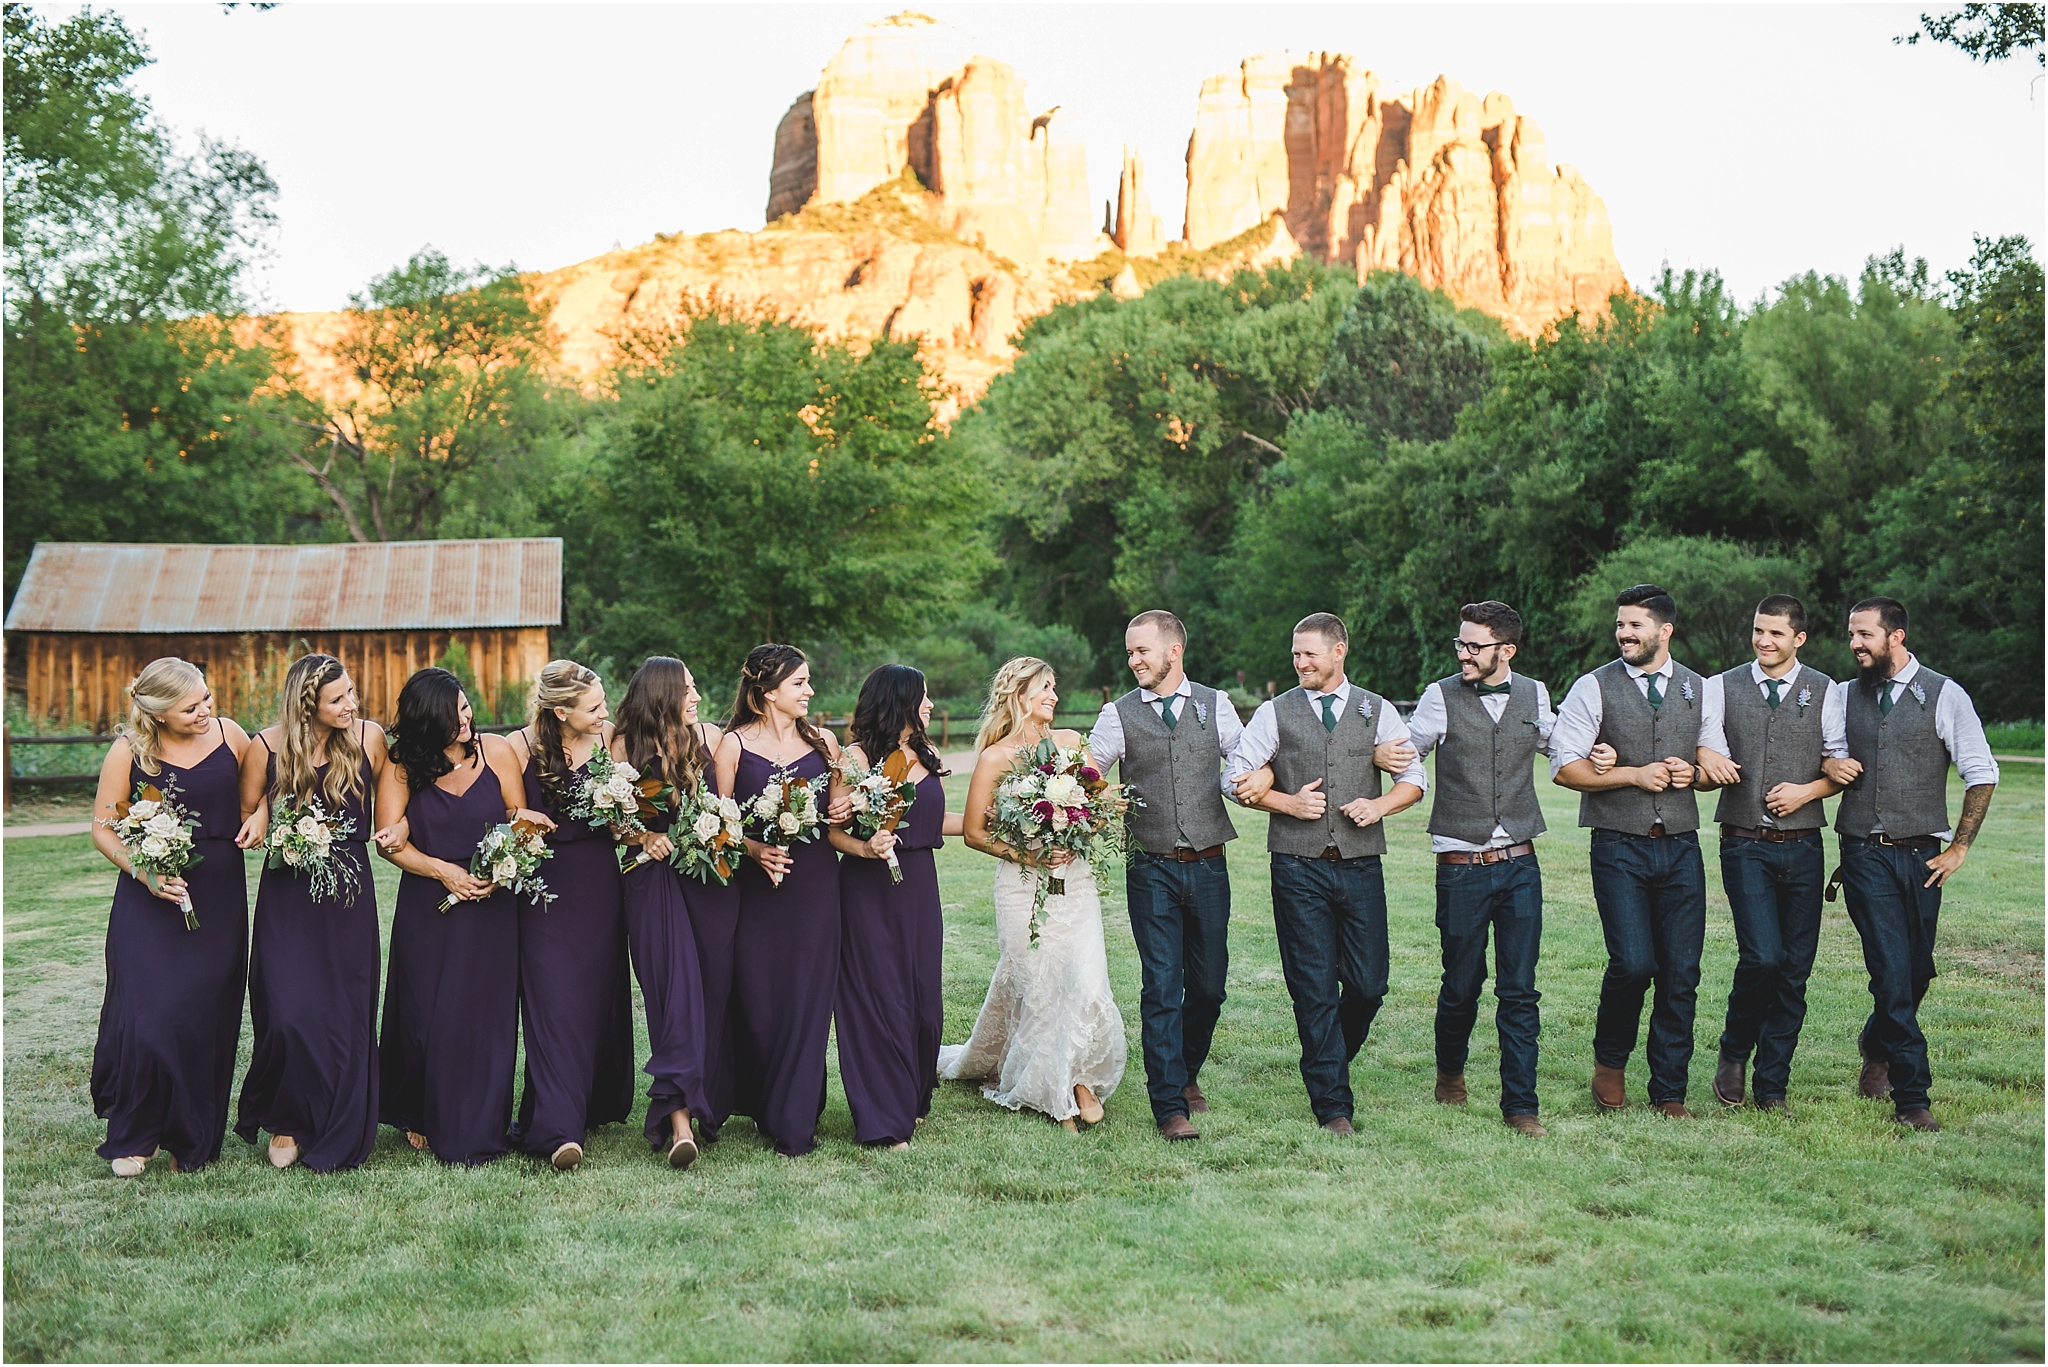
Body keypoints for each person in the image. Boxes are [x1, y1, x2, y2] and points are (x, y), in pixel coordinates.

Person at [1225, 613, 1425, 1134]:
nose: (1300, 663)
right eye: (1295, 654)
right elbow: (1235, 777)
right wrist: (1285, 803)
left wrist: (1379, 806)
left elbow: (1414, 778)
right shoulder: (1275, 712)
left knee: (1369, 985)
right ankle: (1333, 1106)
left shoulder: (1376, 710)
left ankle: (1325, 1057)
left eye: (1309, 654)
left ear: (1339, 651)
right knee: (1312, 987)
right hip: (1297, 867)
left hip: (1360, 866)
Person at [1820, 597, 1999, 1133]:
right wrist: (1829, 762)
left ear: (1895, 636)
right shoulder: (1841, 695)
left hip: (1924, 854)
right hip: (1863, 852)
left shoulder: (1945, 694)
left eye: (1864, 635)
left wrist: (1959, 847)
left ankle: (1876, 1043)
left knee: (1918, 969)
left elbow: (1981, 771)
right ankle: (1912, 1096)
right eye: (1851, 635)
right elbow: (1821, 755)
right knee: (1892, 970)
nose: (1854, 644)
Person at [939, 657, 1127, 1131]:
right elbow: (975, 833)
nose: (1054, 696)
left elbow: (1098, 804)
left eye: (1054, 687)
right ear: (1020, 694)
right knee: (1040, 986)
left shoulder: (1071, 743)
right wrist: (1029, 854)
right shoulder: (994, 758)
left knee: (1085, 980)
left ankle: (1078, 1080)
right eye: (1045, 687)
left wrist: (1081, 825)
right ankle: (1054, 1091)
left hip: (1074, 882)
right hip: (1021, 887)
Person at [88, 658, 252, 1177]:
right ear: (158, 713)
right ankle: (136, 1136)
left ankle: (192, 1137)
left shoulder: (231, 736)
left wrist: (263, 818)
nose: (205, 710)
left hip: (219, 898)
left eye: (206, 698)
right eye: (190, 707)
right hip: (149, 899)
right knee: (150, 1019)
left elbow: (262, 797)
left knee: (205, 1020)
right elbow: (103, 828)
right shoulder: (129, 750)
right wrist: (146, 874)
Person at [1552, 584, 1708, 1118]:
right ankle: (1611, 1061)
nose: (1624, 633)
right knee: (1633, 963)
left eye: (1635, 625)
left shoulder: (1700, 688)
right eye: (1620, 624)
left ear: (1665, 631)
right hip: (1618, 845)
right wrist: (1632, 775)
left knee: (1681, 972)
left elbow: (1713, 762)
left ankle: (1670, 1090)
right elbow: (1565, 768)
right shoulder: (1592, 687)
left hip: (1681, 846)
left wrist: (1695, 772)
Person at [1088, 610, 1242, 1143]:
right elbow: (1087, 773)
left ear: (1173, 651)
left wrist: (1249, 783)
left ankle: (1186, 1069)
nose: (1133, 661)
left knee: (1209, 987)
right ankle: (1170, 1104)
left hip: (1210, 863)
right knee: (1160, 985)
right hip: (1150, 865)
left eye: (1142, 651)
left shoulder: (1217, 704)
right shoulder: (1117, 715)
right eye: (1130, 652)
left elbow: (1245, 760)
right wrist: (1097, 796)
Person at [1403, 602, 1555, 1138]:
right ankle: (1450, 1071)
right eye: (1461, 645)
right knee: (1462, 984)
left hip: (1520, 863)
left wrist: (1600, 755)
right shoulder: (1439, 697)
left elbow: (1560, 747)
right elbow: (1404, 754)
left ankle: (1521, 1105)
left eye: (1475, 646)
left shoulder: (1535, 694)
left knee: (1520, 989)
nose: (1464, 654)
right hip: (1460, 866)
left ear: (1506, 650)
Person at [375, 667, 538, 1166]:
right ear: (427, 722)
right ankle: (421, 1110)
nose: (465, 721)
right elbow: (388, 844)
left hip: (492, 908)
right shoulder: (403, 765)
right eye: (452, 717)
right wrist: (443, 871)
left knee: (485, 1015)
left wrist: (503, 865)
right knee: (426, 1012)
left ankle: (482, 1119)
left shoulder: (497, 752)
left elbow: (517, 820)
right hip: (430, 908)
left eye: (465, 708)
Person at [231, 653, 387, 1171]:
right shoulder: (265, 746)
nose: (351, 705)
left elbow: (397, 803)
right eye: (337, 699)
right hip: (288, 895)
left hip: (348, 894)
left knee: (344, 1013)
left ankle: (340, 1119)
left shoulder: (368, 739)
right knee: (288, 1014)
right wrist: (263, 812)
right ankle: (288, 1117)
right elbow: (247, 808)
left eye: (351, 693)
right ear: (307, 705)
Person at [1693, 595, 1845, 1114]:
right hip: (1743, 843)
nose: (1764, 641)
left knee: (1795, 968)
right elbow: (1700, 741)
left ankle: (1773, 1083)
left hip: (1804, 845)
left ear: (1798, 639)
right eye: (1759, 630)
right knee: (1762, 956)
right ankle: (1734, 1051)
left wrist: (1808, 791)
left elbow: (1839, 763)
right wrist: (1704, 753)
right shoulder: (1721, 686)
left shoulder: (1825, 690)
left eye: (1776, 633)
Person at [713, 644, 847, 1158]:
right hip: (756, 893)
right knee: (761, 1000)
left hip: (815, 888)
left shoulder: (825, 742)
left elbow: (838, 816)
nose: (809, 691)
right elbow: (719, 823)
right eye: (799, 683)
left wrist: (852, 806)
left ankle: (795, 1119)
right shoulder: (732, 746)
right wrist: (754, 849)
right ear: (768, 692)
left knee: (807, 998)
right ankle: (764, 1102)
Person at [506, 660, 637, 1171]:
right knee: (553, 1002)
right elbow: (510, 817)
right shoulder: (519, 747)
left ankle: (583, 1104)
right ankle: (559, 1131)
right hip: (543, 889)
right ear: (560, 712)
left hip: (599, 885)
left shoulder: (610, 740)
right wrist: (520, 819)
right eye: (594, 707)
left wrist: (626, 819)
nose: (605, 713)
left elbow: (624, 824)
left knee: (592, 999)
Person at [830, 664, 950, 1149]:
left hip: (920, 888)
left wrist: (1004, 822)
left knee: (924, 1004)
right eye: (923, 696)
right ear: (899, 701)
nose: (930, 704)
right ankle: (882, 1116)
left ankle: (912, 1093)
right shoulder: (854, 759)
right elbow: (833, 832)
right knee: (880, 999)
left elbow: (935, 818)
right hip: (869, 890)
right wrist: (866, 847)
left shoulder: (927, 752)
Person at [612, 657, 717, 1168]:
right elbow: (608, 820)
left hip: (705, 883)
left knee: (704, 997)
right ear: (662, 694)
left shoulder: (702, 739)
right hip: (651, 883)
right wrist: (641, 835)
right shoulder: (623, 746)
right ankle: (679, 1123)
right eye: (687, 689)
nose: (696, 696)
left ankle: (704, 1101)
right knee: (671, 997)